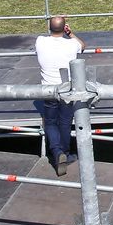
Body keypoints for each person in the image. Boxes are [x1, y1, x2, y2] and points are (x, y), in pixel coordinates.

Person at [35, 15, 86, 175]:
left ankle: (57, 152)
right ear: (64, 27)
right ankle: (66, 153)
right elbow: (82, 46)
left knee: (50, 122)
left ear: (49, 27)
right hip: (67, 88)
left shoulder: (40, 41)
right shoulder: (72, 45)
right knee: (64, 122)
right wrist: (70, 33)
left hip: (48, 89)